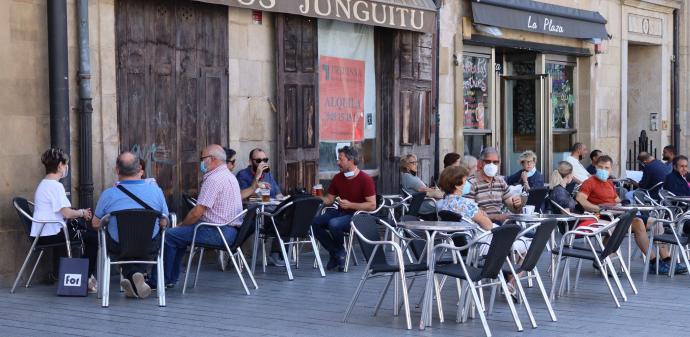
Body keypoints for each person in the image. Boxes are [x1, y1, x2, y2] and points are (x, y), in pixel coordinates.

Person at [576, 155, 686, 275]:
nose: (603, 170)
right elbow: (580, 199)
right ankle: (654, 262)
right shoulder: (589, 182)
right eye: (600, 167)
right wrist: (598, 208)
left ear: (611, 169)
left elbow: (617, 200)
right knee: (638, 223)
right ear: (595, 167)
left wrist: (623, 203)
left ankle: (666, 260)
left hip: (618, 213)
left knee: (657, 222)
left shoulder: (609, 183)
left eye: (606, 168)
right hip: (603, 216)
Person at [152, 145, 244, 287]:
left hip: (217, 232)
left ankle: (158, 281)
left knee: (169, 236)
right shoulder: (229, 176)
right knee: (178, 237)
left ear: (212, 159)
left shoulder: (214, 179)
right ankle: (168, 279)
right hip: (231, 232)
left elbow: (197, 212)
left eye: (202, 158)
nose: (201, 162)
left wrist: (182, 225)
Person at [92, 152, 169, 298]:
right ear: (140, 168)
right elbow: (164, 222)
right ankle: (135, 276)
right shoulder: (156, 192)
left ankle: (131, 276)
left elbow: (96, 224)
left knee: (120, 243)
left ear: (117, 170)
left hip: (118, 246)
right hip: (149, 245)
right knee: (141, 242)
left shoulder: (108, 194)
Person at [31, 148, 96, 291]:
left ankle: (86, 277)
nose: (67, 168)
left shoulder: (45, 184)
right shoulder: (55, 186)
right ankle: (85, 277)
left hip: (43, 233)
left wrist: (79, 212)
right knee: (94, 238)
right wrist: (82, 212)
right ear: (60, 165)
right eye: (66, 164)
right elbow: (66, 213)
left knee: (89, 235)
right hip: (50, 234)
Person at [312, 146, 376, 272]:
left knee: (334, 224)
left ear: (351, 160)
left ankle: (337, 254)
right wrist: (319, 196)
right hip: (340, 212)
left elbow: (372, 205)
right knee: (313, 223)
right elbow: (329, 200)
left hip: (357, 216)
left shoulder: (365, 179)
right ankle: (337, 252)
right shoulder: (338, 178)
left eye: (340, 159)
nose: (337, 162)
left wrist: (351, 205)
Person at [465, 147, 522, 224]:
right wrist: (495, 217)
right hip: (481, 227)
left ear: (499, 164)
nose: (492, 165)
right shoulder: (470, 183)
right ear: (481, 163)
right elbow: (468, 212)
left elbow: (512, 207)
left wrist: (517, 204)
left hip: (500, 224)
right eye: (488, 162)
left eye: (495, 162)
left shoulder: (500, 181)